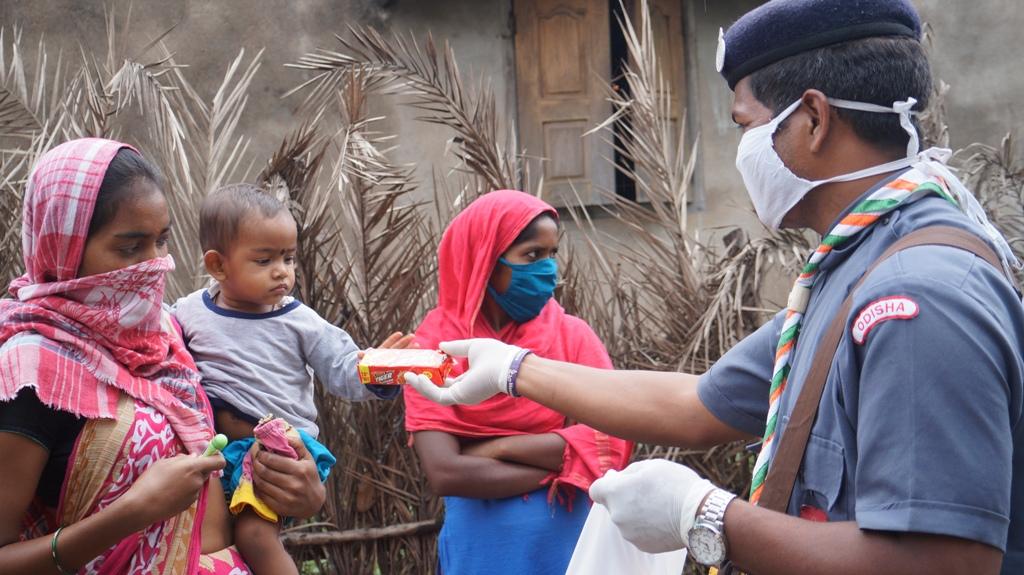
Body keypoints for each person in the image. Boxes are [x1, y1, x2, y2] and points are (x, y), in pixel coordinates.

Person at [405, 2, 1024, 574]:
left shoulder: (916, 296)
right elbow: (700, 404)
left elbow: (943, 563)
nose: (741, 152)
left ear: (812, 120)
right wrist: (514, 369)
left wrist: (706, 516)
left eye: (745, 125)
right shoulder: (849, 269)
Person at [0, 138, 325, 574]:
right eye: (130, 248)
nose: (154, 265)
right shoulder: (33, 372)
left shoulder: (169, 336)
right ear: (66, 249)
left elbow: (225, 469)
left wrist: (298, 489)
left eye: (162, 242)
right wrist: (132, 513)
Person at [173, 184, 412, 575]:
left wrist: (382, 369)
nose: (282, 271)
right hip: (216, 452)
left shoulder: (299, 321)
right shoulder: (189, 312)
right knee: (212, 536)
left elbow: (342, 368)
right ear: (218, 266)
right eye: (265, 260)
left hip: (279, 452)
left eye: (288, 258)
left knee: (254, 537)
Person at [403, 190, 632, 575]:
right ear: (484, 261)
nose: (547, 270)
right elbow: (445, 472)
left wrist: (494, 448)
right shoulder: (434, 348)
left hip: (570, 545)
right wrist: (564, 464)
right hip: (484, 550)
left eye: (551, 254)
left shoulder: (571, 337)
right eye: (531, 256)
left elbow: (609, 442)